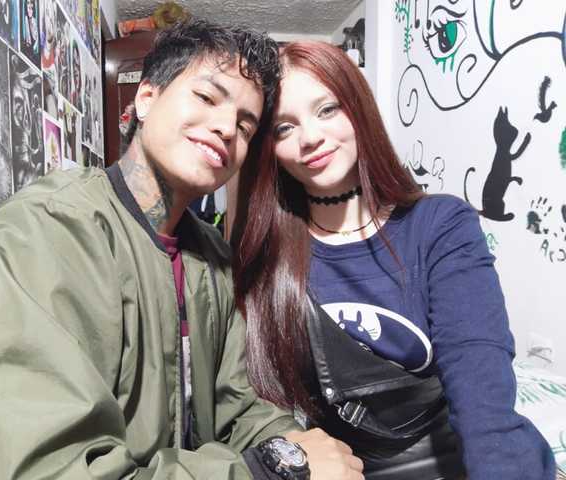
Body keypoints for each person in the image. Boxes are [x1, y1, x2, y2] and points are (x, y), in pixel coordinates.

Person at [0, 23, 364, 480]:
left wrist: (295, 444)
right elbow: (53, 470)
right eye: (207, 97)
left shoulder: (211, 256)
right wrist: (270, 469)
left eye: (246, 125)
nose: (226, 128)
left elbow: (236, 407)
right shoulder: (49, 228)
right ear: (146, 98)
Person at [231, 41, 556, 480]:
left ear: (358, 108)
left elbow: (482, 393)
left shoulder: (440, 225)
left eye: (327, 109)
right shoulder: (267, 256)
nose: (310, 137)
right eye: (285, 128)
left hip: (454, 457)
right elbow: (255, 407)